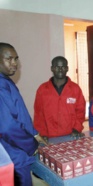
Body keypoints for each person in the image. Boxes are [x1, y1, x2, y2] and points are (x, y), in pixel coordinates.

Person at [0, 42, 47, 186]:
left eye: (16, 59)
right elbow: (7, 126)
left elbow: (19, 113)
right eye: (9, 59)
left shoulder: (6, 82)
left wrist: (34, 134)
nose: (14, 63)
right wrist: (31, 145)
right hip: (13, 155)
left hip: (17, 151)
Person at [34, 56, 86, 140]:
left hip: (71, 136)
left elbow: (81, 111)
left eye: (63, 67)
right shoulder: (42, 89)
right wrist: (42, 133)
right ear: (52, 68)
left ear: (67, 68)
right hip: (49, 137)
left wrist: (77, 128)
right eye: (57, 67)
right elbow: (38, 115)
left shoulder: (75, 89)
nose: (60, 69)